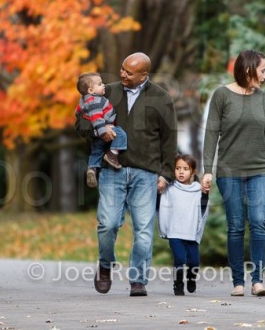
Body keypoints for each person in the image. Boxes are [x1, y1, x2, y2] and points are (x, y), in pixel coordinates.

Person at [75, 52, 178, 297]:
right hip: (113, 170)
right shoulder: (105, 91)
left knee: (143, 230)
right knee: (108, 224)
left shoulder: (161, 98)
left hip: (146, 173)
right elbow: (79, 122)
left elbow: (169, 140)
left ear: (144, 75)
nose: (122, 74)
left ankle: (138, 280)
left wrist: (166, 174)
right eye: (122, 69)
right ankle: (105, 265)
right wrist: (100, 130)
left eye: (129, 72)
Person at [201, 49, 265, 297]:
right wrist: (207, 170)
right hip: (229, 171)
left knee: (258, 222)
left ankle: (257, 280)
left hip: (259, 169)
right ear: (249, 70)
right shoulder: (221, 95)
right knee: (236, 226)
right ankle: (238, 281)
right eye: (263, 70)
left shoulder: (262, 97)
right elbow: (210, 134)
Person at [158, 154, 209, 296]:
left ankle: (191, 278)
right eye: (178, 168)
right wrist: (164, 229)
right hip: (175, 232)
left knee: (194, 262)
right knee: (179, 259)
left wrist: (205, 194)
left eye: (185, 169)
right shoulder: (170, 188)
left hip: (191, 232)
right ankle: (178, 284)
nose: (181, 172)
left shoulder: (198, 189)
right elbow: (163, 208)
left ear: (192, 172)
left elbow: (203, 209)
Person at [75, 72, 128, 188]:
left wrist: (78, 112)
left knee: (96, 152)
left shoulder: (84, 100)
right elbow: (96, 118)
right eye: (100, 84)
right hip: (104, 129)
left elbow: (78, 110)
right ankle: (112, 155)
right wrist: (103, 131)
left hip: (96, 135)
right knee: (121, 134)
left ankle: (92, 169)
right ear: (90, 90)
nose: (103, 85)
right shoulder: (96, 102)